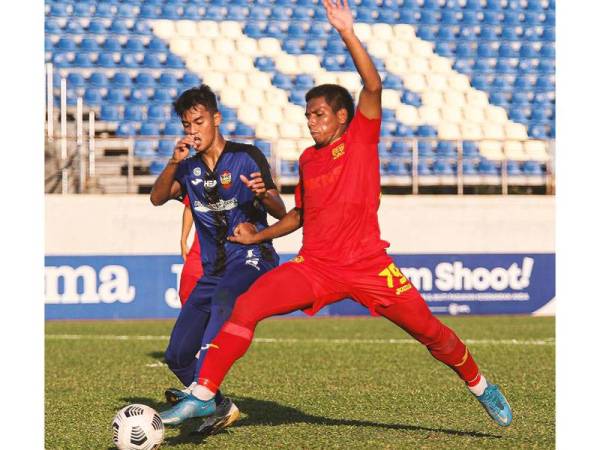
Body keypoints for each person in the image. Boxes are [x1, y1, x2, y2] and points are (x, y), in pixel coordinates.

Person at [159, 0, 512, 429]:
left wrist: (346, 31)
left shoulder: (362, 137)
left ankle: (480, 385)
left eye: (319, 114)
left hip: (369, 267)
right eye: (308, 115)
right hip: (317, 268)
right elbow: (301, 214)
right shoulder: (308, 159)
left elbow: (373, 85)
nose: (311, 122)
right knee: (246, 305)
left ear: (343, 117)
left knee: (430, 332)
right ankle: (203, 393)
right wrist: (260, 236)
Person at [150, 84, 287, 435]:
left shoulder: (246, 156)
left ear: (216, 118)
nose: (193, 131)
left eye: (198, 121)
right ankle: (219, 405)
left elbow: (279, 207)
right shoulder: (188, 167)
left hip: (253, 257)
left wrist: (263, 194)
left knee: (227, 295)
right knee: (178, 355)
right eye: (186, 125)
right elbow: (157, 198)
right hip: (213, 270)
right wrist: (172, 162)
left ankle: (201, 391)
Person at [178, 196, 203, 305]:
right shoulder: (199, 180)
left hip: (230, 246)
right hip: (201, 245)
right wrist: (183, 240)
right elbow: (190, 207)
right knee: (186, 291)